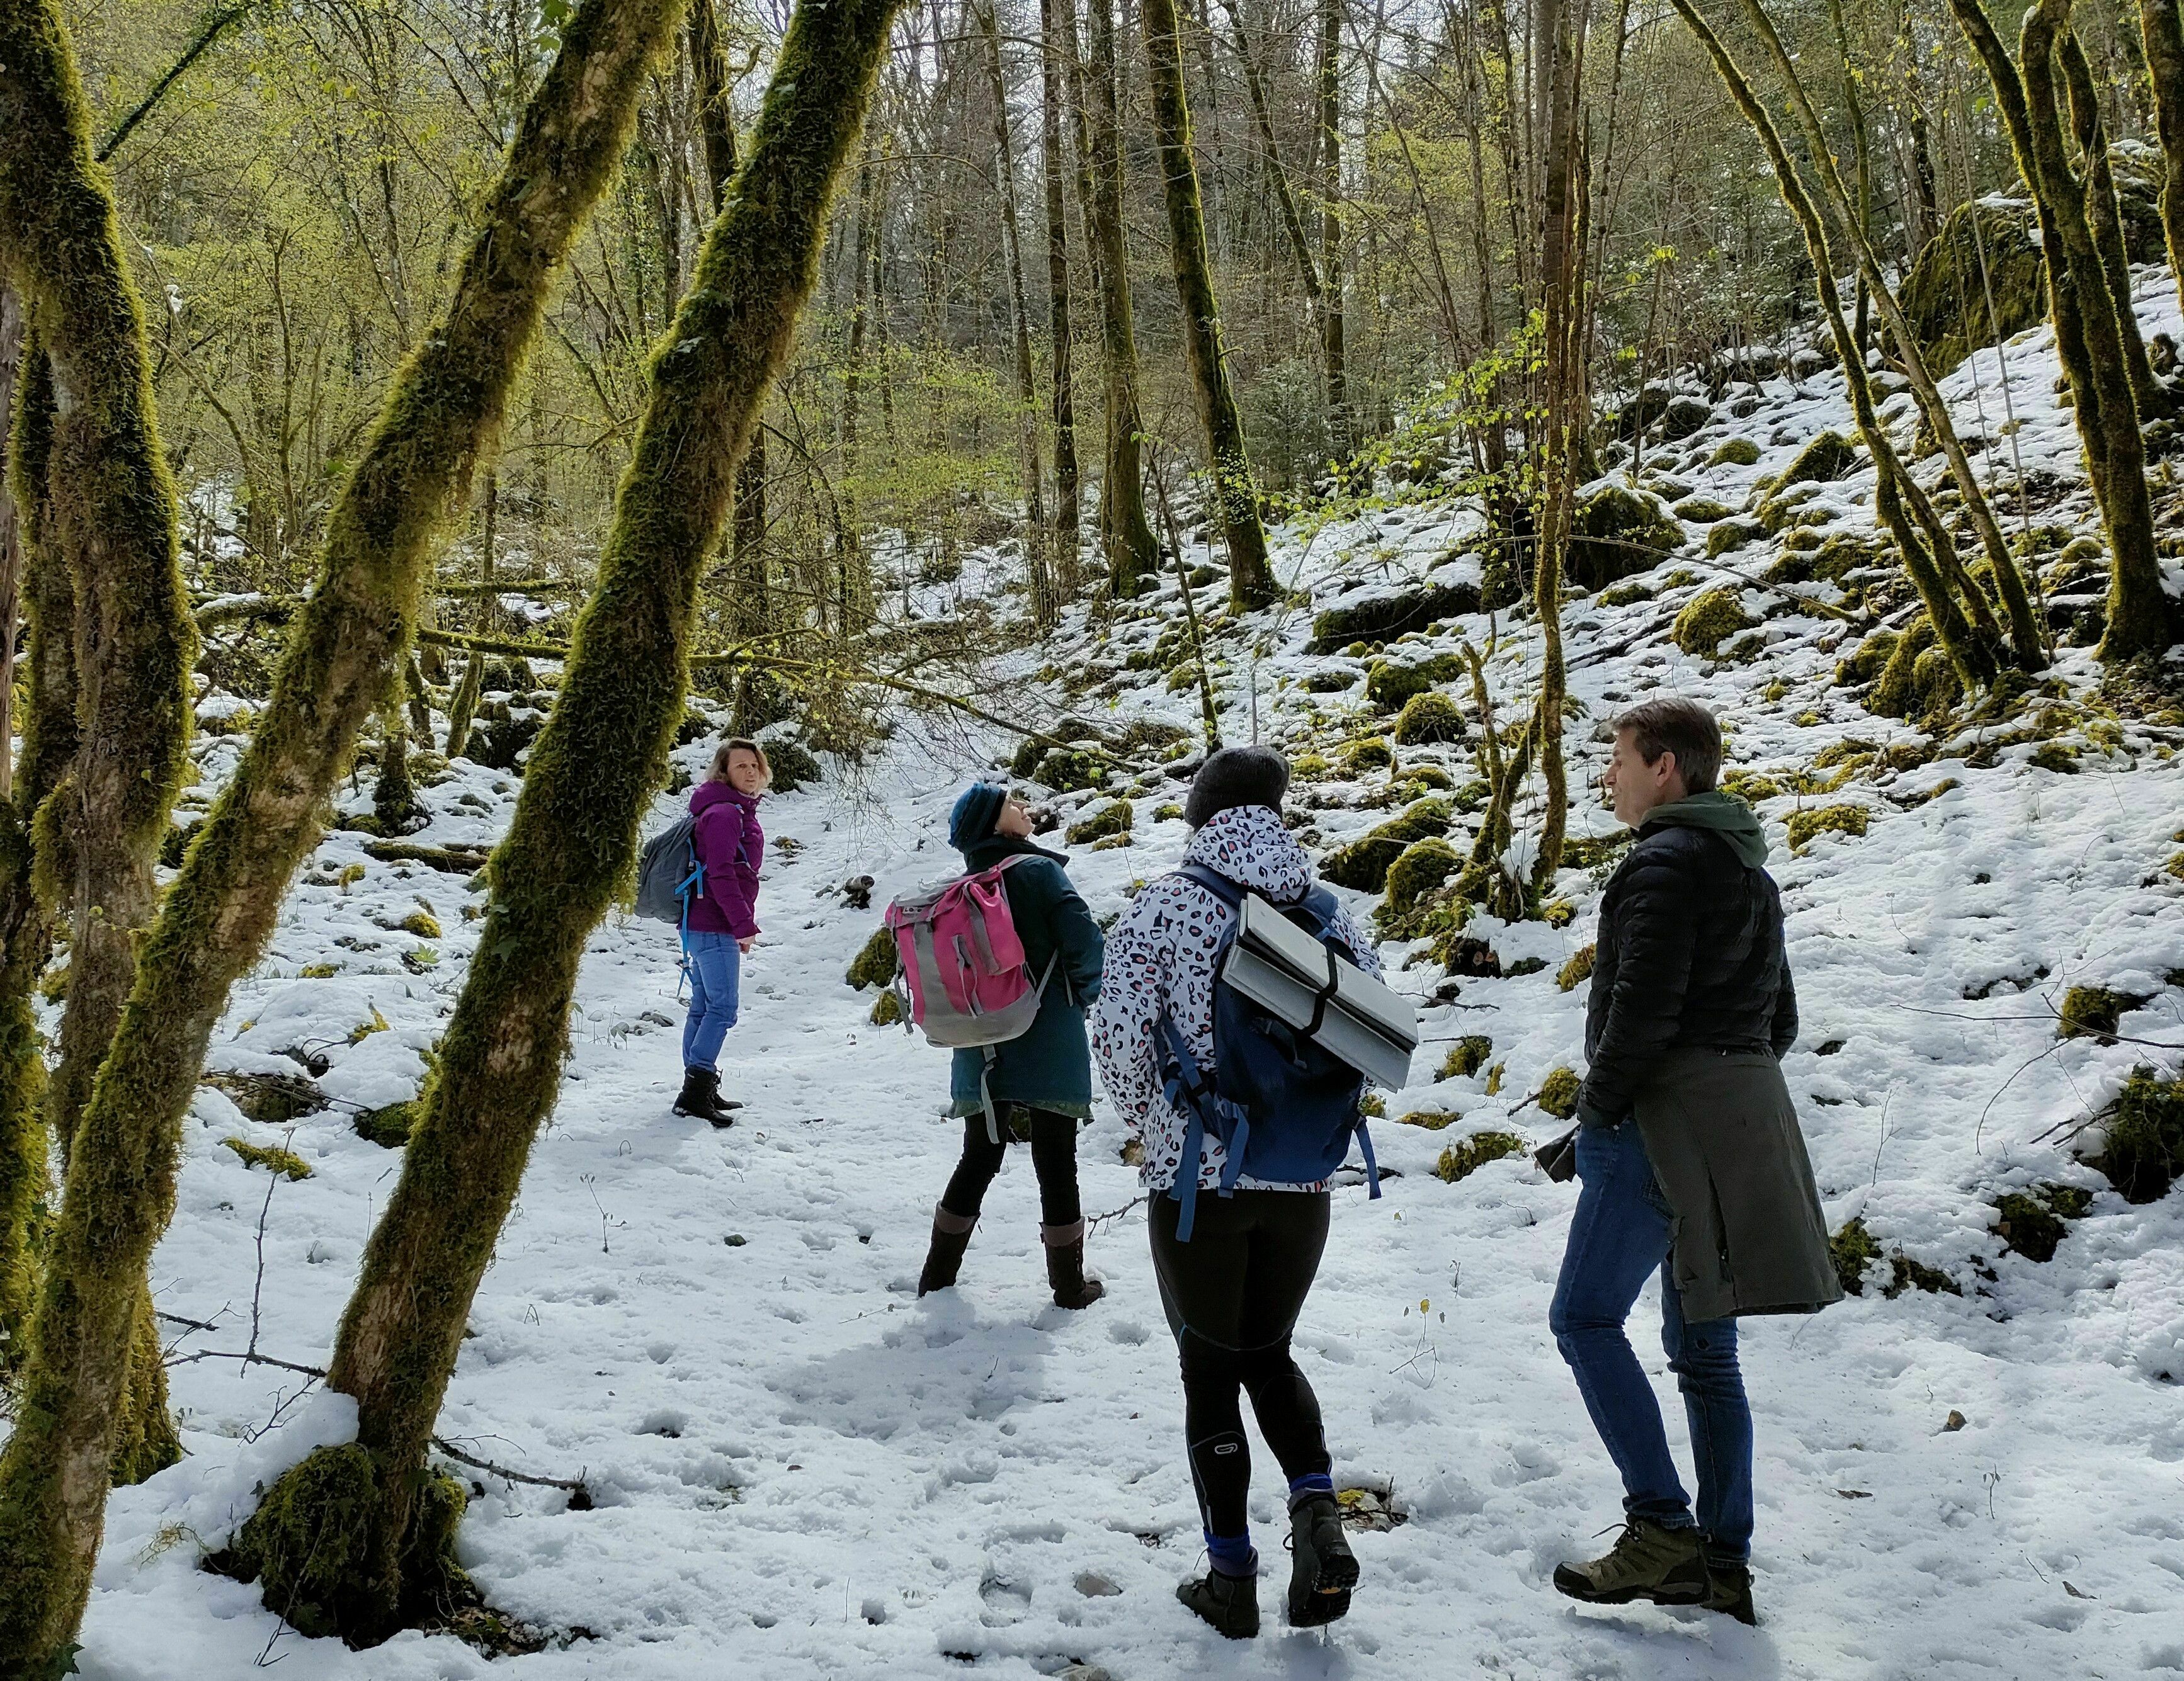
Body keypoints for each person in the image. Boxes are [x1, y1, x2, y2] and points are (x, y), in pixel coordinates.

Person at [1549, 695, 1840, 1626]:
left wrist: (1599, 1113)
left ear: (1665, 767)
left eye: (1620, 759)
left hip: (1656, 1121)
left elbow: (1641, 1014)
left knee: (1584, 1316)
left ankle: (1660, 1528)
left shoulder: (1663, 863)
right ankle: (1722, 1563)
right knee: (1707, 1352)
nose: (1609, 777)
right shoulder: (1749, 869)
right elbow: (1778, 1021)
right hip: (1734, 1125)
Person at [1091, 745, 1372, 1640]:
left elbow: (1118, 1039)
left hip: (1198, 1182)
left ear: (1201, 817)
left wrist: (1156, 1124)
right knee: (1272, 1353)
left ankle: (1230, 1577)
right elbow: (1371, 1034)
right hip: (1302, 1175)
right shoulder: (1327, 910)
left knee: (1210, 1370)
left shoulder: (1165, 905)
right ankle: (1319, 1521)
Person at [915, 781, 1108, 1309]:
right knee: (1056, 1157)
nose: (1023, 808)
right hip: (1047, 1030)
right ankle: (1068, 1285)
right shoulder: (1040, 872)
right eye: (1010, 804)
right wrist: (1083, 994)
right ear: (994, 824)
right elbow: (1085, 943)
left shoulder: (963, 887)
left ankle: (936, 1278)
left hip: (979, 1036)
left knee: (979, 1155)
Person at [673, 737, 769, 1126]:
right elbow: (722, 874)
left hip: (703, 923)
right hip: (713, 924)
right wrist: (742, 926)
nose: (750, 772)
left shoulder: (727, 809)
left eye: (754, 765)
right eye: (740, 766)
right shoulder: (725, 813)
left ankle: (698, 1087)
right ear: (724, 773)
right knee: (723, 1009)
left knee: (704, 1006)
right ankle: (695, 1092)